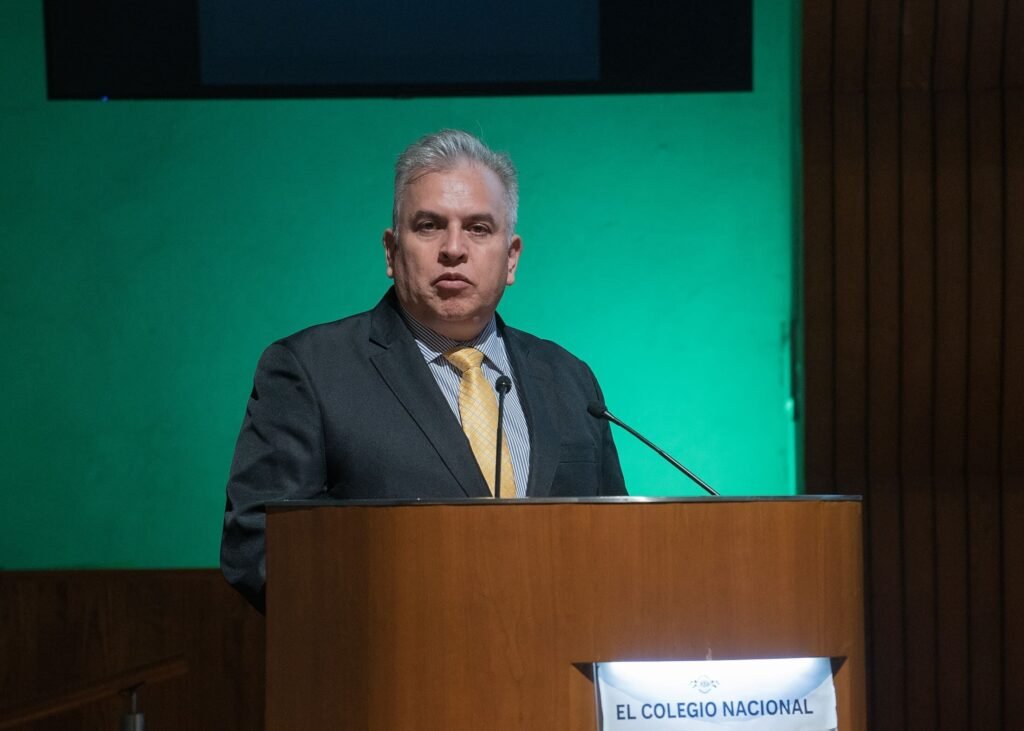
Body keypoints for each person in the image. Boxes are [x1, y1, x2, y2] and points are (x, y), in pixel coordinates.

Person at [221, 129, 627, 612]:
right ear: (391, 252)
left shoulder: (570, 380)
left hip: (558, 654)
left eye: (478, 228)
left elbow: (618, 544)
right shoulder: (311, 370)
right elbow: (260, 548)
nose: (453, 248)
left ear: (511, 257)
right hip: (393, 653)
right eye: (430, 225)